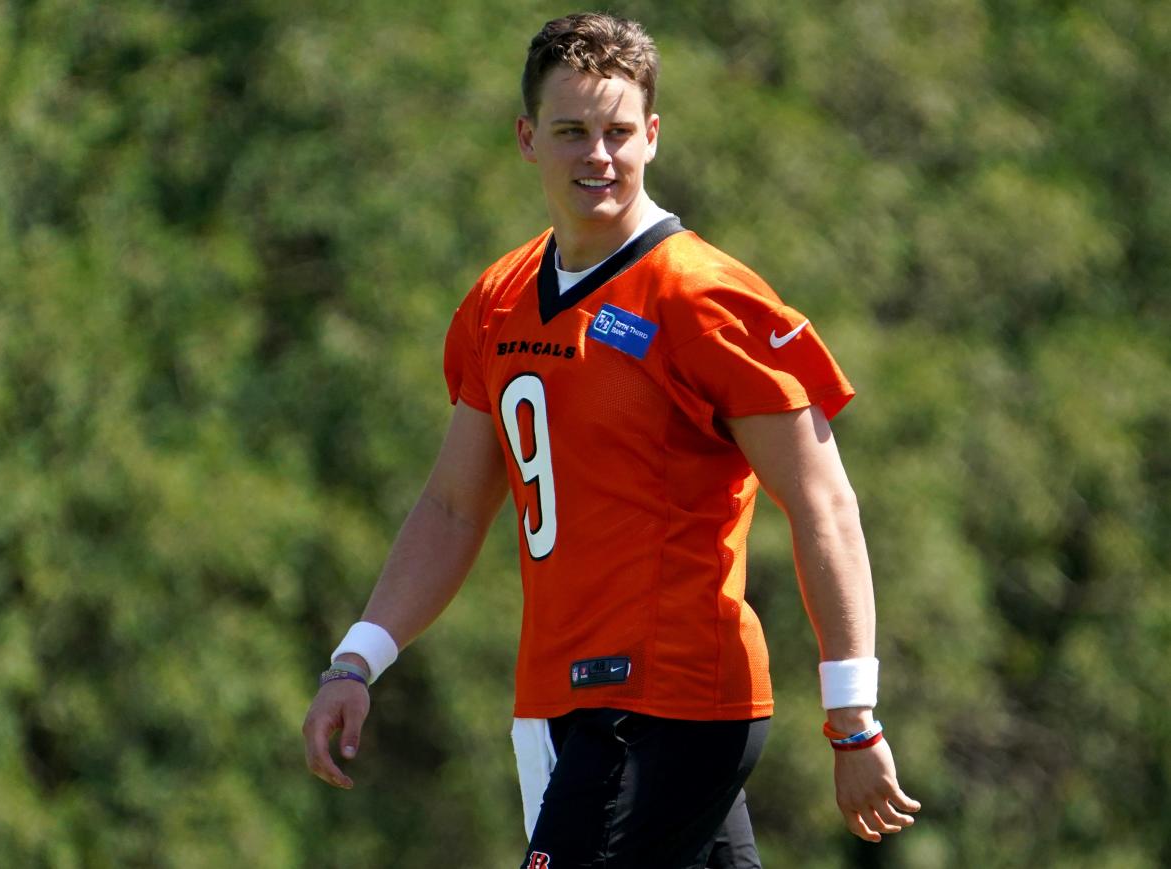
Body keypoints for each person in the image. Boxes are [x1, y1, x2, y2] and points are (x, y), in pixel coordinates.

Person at [302, 12, 920, 868]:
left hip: (667, 701)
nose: (598, 154)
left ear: (653, 136)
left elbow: (824, 501)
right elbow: (451, 507)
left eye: (618, 131)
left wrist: (854, 716)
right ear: (527, 138)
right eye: (572, 132)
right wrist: (356, 660)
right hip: (556, 699)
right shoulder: (501, 296)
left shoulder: (701, 296)